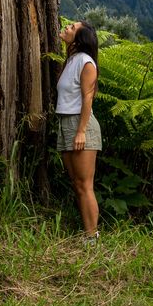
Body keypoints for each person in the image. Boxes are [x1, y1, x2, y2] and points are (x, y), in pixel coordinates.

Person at [56, 20, 102, 241]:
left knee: (84, 185)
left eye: (72, 28)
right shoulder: (72, 60)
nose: (67, 27)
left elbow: (87, 98)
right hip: (66, 123)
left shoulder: (86, 62)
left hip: (80, 125)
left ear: (80, 39)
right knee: (77, 183)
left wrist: (81, 131)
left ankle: (92, 237)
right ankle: (87, 232)